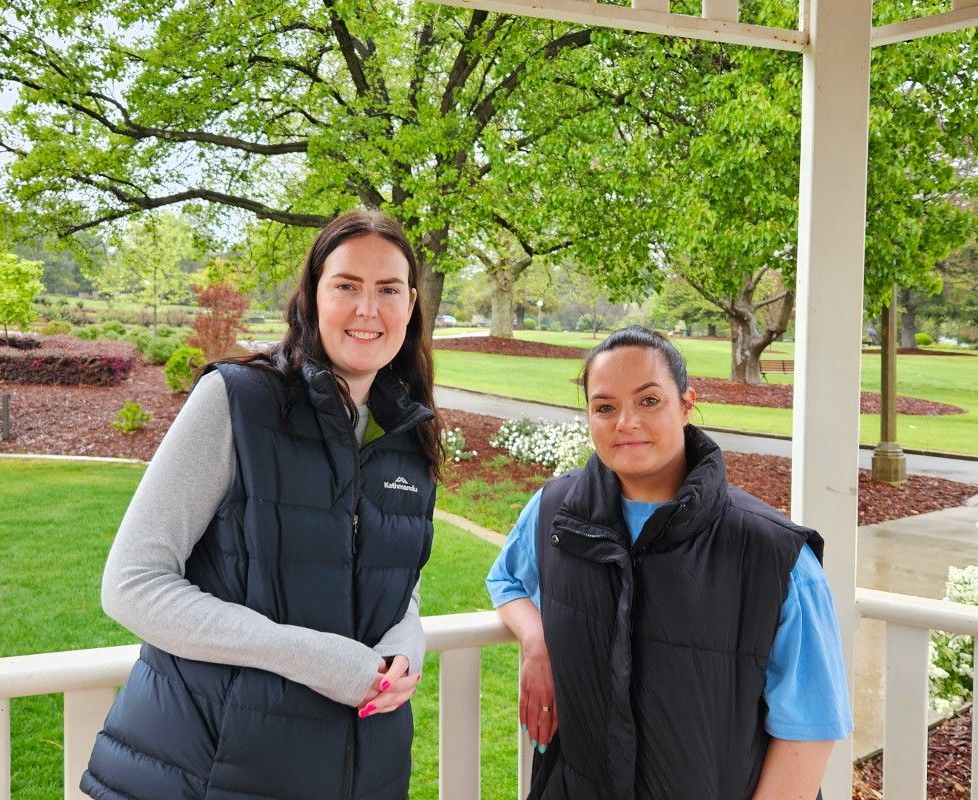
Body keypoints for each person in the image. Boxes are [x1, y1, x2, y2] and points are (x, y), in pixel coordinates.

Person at [82, 209, 441, 800]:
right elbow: (132, 584)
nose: (367, 309)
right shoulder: (238, 400)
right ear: (311, 298)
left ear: (411, 306)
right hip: (205, 772)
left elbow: (388, 573)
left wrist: (406, 639)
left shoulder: (407, 432)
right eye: (346, 285)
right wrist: (313, 657)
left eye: (388, 290)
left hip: (362, 772)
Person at [486, 326, 852, 800]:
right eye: (604, 407)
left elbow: (810, 727)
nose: (626, 422)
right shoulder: (556, 511)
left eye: (649, 401)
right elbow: (506, 579)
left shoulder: (772, 554)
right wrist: (538, 641)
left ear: (686, 404)